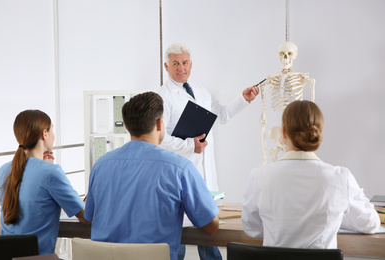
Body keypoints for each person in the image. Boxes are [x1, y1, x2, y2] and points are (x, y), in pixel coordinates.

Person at [84, 92, 220, 260]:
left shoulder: (100, 165)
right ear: (159, 124)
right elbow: (211, 226)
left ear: (126, 126)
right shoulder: (180, 168)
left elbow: (89, 217)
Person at [158, 42, 259, 260]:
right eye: (175, 63)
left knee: (209, 232)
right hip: (180, 174)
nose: (181, 67)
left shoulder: (201, 90)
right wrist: (188, 146)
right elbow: (159, 138)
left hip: (205, 174)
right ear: (166, 66)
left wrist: (243, 99)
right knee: (180, 234)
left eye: (185, 62)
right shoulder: (162, 97)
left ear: (191, 64)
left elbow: (221, 115)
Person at [242, 100, 380, 249]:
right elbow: (370, 224)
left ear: (283, 133)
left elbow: (251, 228)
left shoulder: (259, 176)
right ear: (317, 132)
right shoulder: (340, 177)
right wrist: (336, 215)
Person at [0, 110, 90, 255]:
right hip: (37, 257)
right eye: (52, 129)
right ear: (44, 134)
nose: (54, 135)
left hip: (3, 255)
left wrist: (41, 163)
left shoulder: (4, 170)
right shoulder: (50, 172)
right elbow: (85, 217)